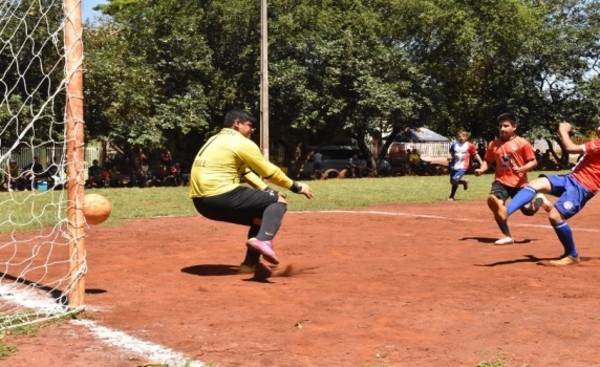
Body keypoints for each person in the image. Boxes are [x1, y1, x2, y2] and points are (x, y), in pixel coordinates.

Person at [190, 109, 313, 278]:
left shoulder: (215, 139)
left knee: (261, 214)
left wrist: (266, 190)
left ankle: (250, 265)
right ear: (237, 123)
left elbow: (245, 172)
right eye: (249, 125)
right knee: (278, 201)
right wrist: (296, 186)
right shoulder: (240, 142)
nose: (252, 130)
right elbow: (269, 171)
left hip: (202, 203)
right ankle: (263, 241)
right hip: (220, 194)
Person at [490, 120, 600, 266]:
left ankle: (572, 255)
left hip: (583, 187)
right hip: (571, 178)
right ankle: (505, 212)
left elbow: (570, 148)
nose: (598, 127)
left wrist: (563, 130)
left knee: (555, 216)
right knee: (535, 184)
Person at [475, 112, 548, 245]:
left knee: (528, 211)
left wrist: (522, 169)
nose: (502, 129)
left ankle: (540, 199)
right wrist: (482, 169)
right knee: (497, 207)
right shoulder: (493, 144)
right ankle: (507, 236)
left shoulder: (522, 143)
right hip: (501, 182)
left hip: (519, 183)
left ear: (514, 127)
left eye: (506, 126)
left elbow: (533, 162)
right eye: (500, 126)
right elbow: (487, 161)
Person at [447, 129, 483, 201]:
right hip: (454, 165)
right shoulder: (454, 145)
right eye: (460, 136)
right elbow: (451, 153)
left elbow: (475, 154)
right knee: (452, 181)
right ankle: (464, 182)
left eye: (463, 136)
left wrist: (481, 162)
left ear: (466, 137)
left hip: (463, 166)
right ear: (457, 137)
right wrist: (449, 156)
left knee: (455, 180)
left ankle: (451, 196)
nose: (461, 138)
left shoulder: (469, 145)